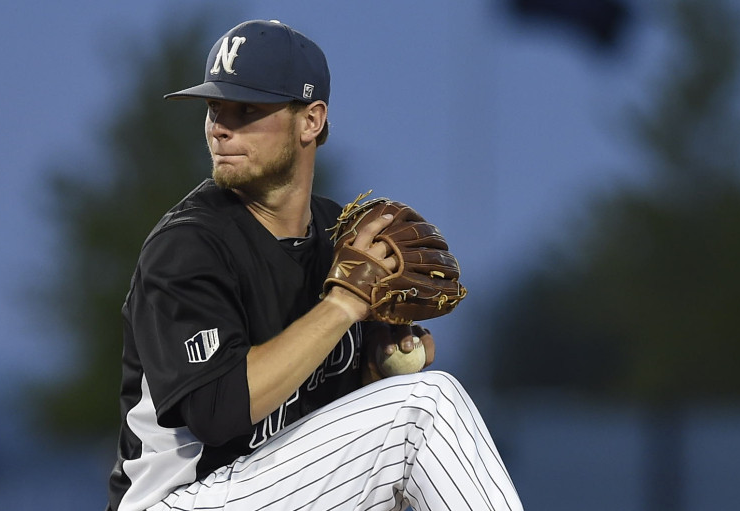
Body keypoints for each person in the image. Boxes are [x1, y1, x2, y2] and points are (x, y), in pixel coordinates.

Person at [106, 19, 523, 511]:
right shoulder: (188, 246)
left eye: (246, 110)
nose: (220, 127)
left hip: (274, 490)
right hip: (181, 498)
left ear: (311, 120)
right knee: (424, 410)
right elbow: (217, 414)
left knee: (411, 423)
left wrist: (377, 369)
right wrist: (344, 303)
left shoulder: (338, 234)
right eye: (215, 109)